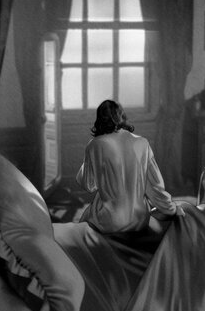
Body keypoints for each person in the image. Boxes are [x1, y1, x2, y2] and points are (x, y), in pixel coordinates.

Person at [76, 99, 184, 233]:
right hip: (138, 220)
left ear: (99, 120)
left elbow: (88, 185)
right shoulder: (142, 143)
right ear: (122, 117)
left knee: (88, 215)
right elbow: (155, 188)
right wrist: (172, 209)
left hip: (109, 221)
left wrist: (93, 163)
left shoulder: (94, 145)